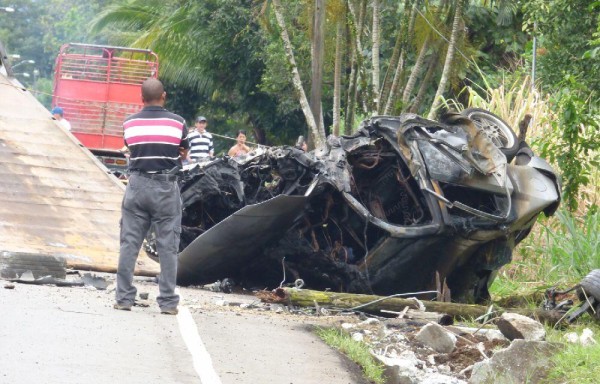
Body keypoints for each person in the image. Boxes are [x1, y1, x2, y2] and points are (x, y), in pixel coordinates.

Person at [114, 78, 189, 315]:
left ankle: (124, 298)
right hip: (166, 188)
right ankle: (167, 302)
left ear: (141, 98)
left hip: (136, 187)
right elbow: (183, 151)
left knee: (129, 244)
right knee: (168, 246)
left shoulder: (130, 123)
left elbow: (132, 148)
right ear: (163, 96)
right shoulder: (178, 123)